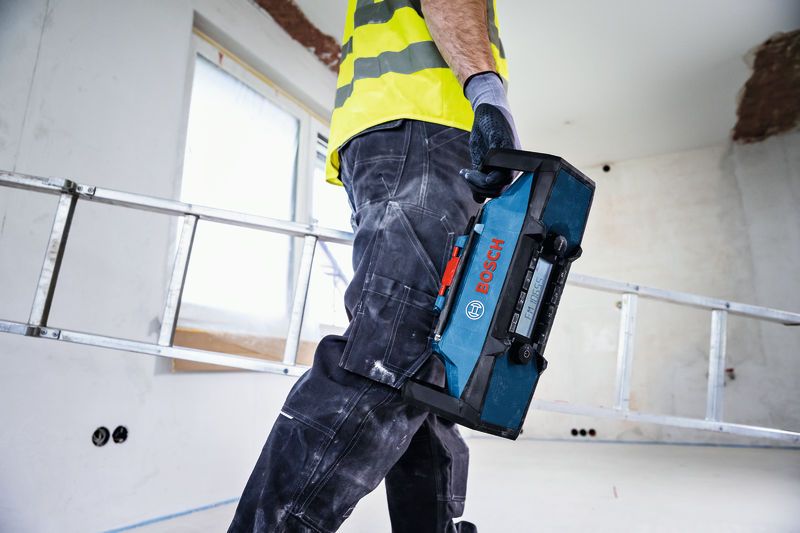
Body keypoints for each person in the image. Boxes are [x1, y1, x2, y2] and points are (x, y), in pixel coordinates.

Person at [229, 1, 519, 531]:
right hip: (425, 128)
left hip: (403, 136)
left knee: (430, 362)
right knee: (391, 349)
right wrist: (487, 93)